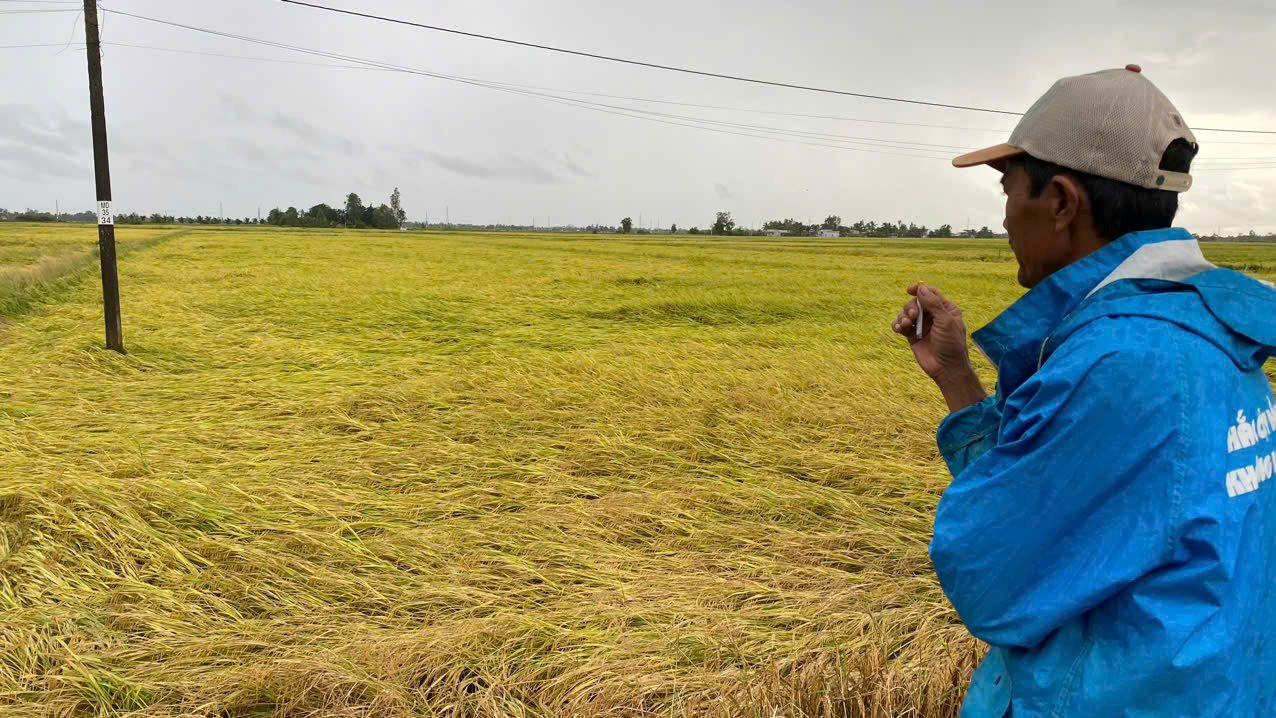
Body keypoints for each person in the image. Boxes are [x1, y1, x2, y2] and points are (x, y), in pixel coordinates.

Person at [891, 65, 1276, 717]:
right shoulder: (1201, 326)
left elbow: (991, 575)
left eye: (1010, 190)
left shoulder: (1122, 361)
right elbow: (1081, 513)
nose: (1006, 217)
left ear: (1063, 202)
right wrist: (955, 375)